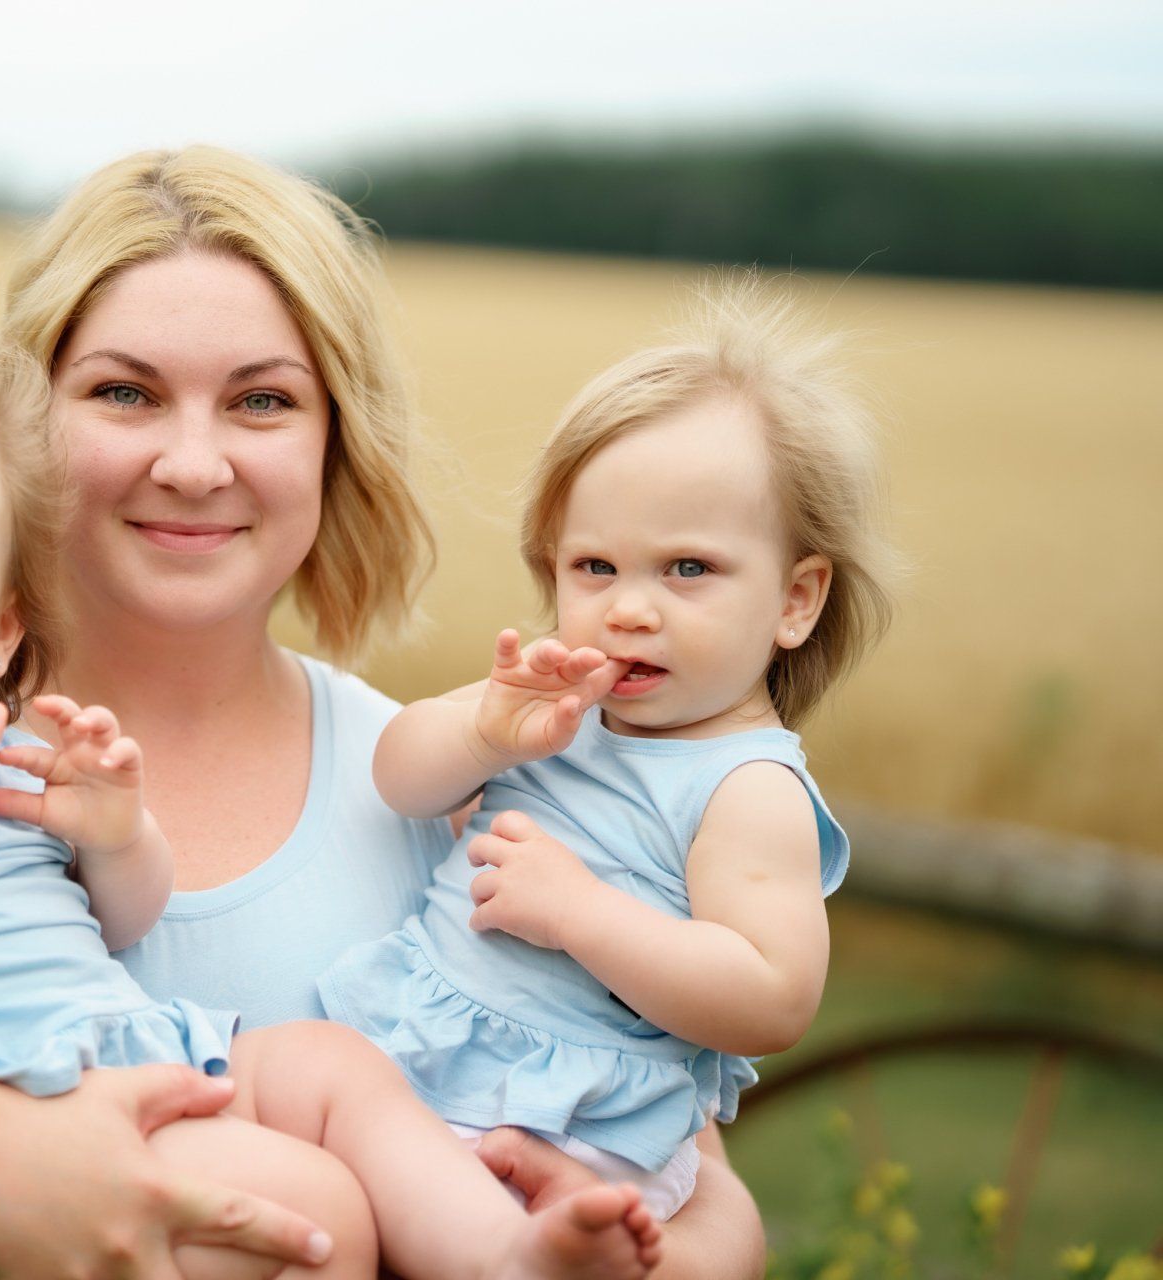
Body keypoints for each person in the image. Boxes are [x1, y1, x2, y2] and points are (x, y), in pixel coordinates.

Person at [0, 146, 771, 1278]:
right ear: (22, 428)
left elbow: (676, 1163)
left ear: (335, 440)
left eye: (264, 399)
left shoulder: (433, 775)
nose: (195, 461)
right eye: (124, 391)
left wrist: (690, 1249)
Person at [0, 349, 661, 1279]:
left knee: (332, 1065)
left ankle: (509, 1253)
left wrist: (115, 837)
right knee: (313, 1212)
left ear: (2, 624)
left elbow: (122, 924)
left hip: (121, 1053)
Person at [322, 279, 899, 1220]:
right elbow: (399, 778)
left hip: (569, 1127)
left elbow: (771, 996)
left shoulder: (745, 789)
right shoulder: (556, 704)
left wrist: (580, 913)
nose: (629, 606)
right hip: (421, 1055)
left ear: (796, 600)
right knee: (289, 1080)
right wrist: (480, 731)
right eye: (595, 567)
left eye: (688, 569)